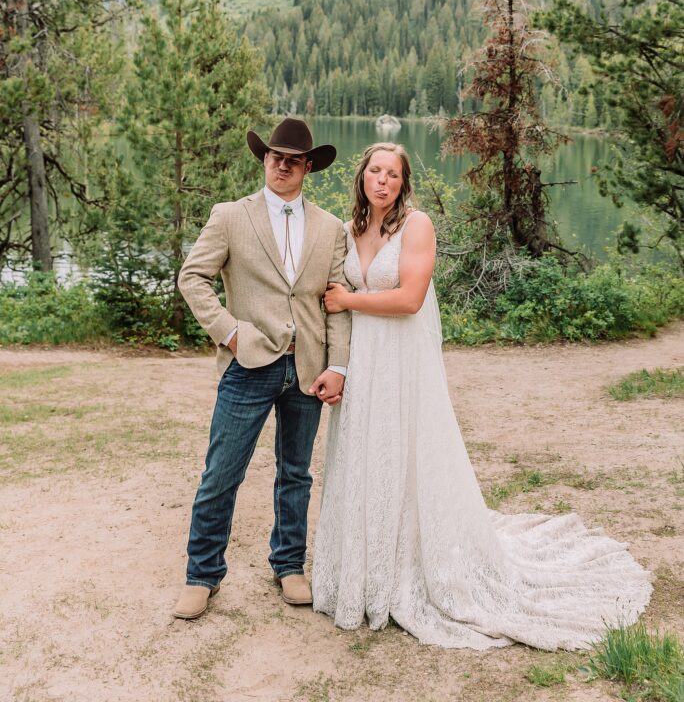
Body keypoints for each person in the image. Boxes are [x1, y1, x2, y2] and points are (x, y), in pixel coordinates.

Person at [312, 142, 651, 650]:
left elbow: (410, 299)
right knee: (366, 455)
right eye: (375, 171)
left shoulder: (416, 225)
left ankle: (409, 567)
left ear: (404, 183)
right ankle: (363, 567)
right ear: (362, 177)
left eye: (393, 174)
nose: (383, 181)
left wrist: (349, 299)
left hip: (401, 361)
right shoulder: (348, 229)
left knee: (404, 455)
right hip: (364, 363)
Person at [173, 118, 350, 620]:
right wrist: (230, 332)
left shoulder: (331, 227)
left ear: (308, 167)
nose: (282, 166)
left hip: (308, 367)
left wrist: (338, 364)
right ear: (265, 159)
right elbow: (192, 277)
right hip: (248, 363)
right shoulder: (231, 216)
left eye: (293, 160)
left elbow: (336, 302)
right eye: (275, 157)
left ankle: (289, 566)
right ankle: (201, 575)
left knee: (296, 474)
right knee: (221, 474)